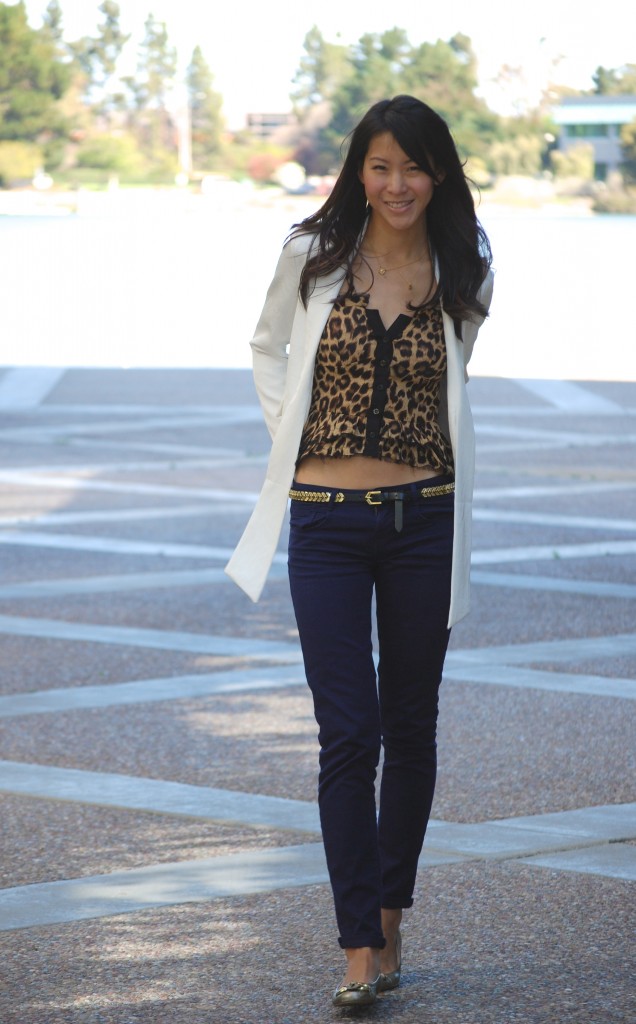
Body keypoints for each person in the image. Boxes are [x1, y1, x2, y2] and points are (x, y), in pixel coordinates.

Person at [226, 94, 493, 1007]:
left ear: (440, 173)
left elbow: (454, 385)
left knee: (410, 725)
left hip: (425, 520)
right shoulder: (312, 256)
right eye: (380, 167)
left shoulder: (467, 266)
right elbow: (267, 349)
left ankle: (389, 915)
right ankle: (355, 949)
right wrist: (288, 435)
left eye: (412, 167)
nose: (396, 184)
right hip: (325, 521)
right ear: (358, 171)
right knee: (349, 732)